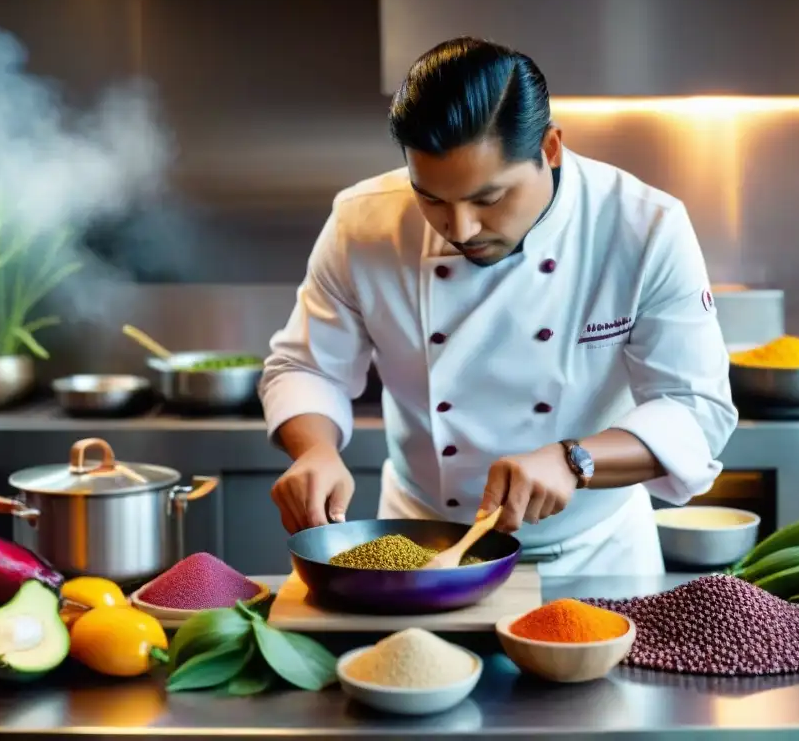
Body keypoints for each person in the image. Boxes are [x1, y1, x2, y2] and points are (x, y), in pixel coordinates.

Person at [260, 36, 737, 576]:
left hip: (595, 554)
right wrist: (315, 451)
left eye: (489, 198)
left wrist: (575, 459)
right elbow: (305, 366)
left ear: (550, 149)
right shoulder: (362, 223)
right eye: (432, 199)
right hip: (422, 548)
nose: (460, 229)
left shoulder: (642, 226)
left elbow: (696, 409)